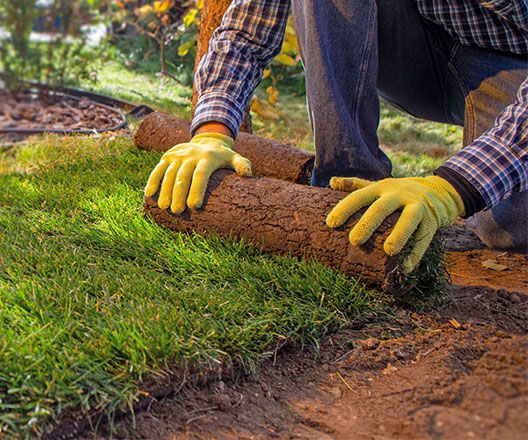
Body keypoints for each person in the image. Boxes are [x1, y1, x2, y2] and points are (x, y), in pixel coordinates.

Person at [145, 0, 527, 273]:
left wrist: (452, 188)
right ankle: (348, 187)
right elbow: (246, 33)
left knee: (509, 226)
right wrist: (211, 133)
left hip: (513, 61)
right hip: (417, 47)